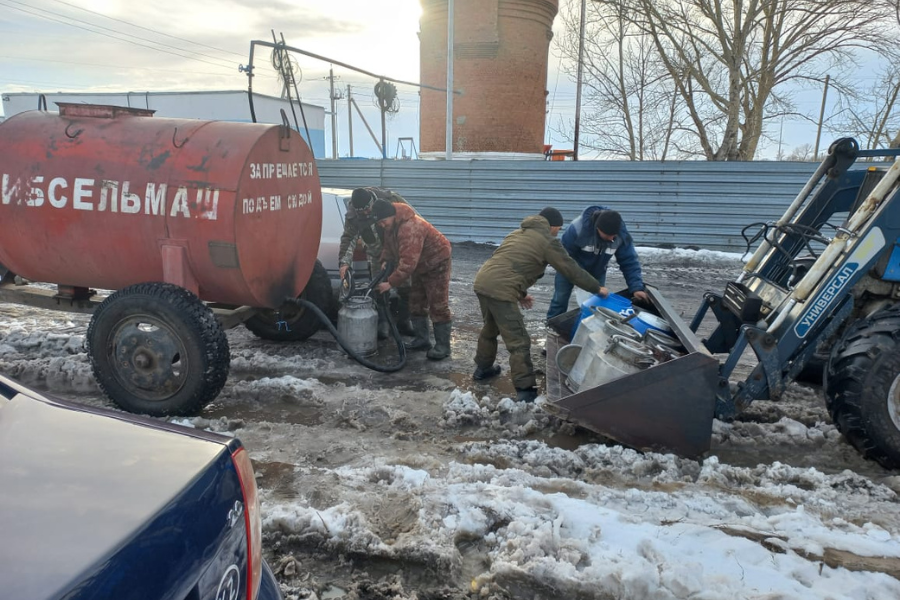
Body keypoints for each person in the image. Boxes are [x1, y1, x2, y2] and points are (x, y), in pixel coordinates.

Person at [473, 207, 607, 403]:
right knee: (519, 341)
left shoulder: (517, 233)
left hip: (483, 283)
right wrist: (597, 287)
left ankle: (483, 368)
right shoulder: (548, 242)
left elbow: (509, 266)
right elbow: (570, 269)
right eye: (558, 229)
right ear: (551, 226)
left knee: (490, 328)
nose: (557, 233)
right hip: (501, 290)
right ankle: (526, 391)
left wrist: (521, 294)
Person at [371, 199, 454, 361]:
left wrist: (390, 283)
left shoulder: (410, 228)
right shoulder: (391, 225)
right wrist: (385, 260)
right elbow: (388, 246)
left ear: (391, 216)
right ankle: (422, 340)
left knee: (437, 303)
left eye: (383, 221)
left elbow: (408, 263)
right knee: (416, 301)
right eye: (379, 222)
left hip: (437, 262)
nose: (381, 225)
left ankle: (443, 346)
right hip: (420, 264)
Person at [546, 206, 648, 321]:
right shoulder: (577, 229)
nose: (611, 239)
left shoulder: (621, 235)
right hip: (571, 268)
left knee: (596, 302)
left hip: (597, 271)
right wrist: (579, 278)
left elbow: (629, 261)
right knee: (560, 298)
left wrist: (636, 288)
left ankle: (590, 326)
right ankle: (551, 325)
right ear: (597, 228)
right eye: (608, 235)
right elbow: (563, 258)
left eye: (614, 235)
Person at [338, 187, 415, 337]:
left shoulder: (391, 200)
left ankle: (405, 321)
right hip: (376, 255)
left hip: (399, 251)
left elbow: (412, 221)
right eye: (362, 211)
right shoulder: (353, 215)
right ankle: (383, 323)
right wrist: (344, 263)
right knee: (379, 288)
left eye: (368, 209)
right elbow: (348, 238)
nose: (366, 213)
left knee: (406, 287)